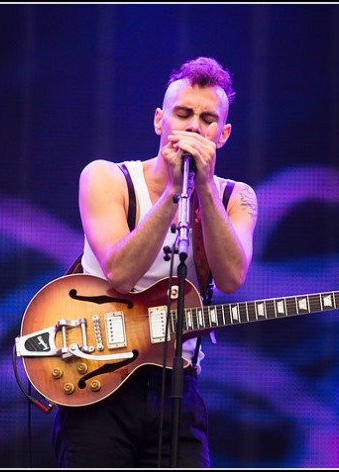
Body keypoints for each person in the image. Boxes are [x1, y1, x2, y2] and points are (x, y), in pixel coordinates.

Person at [51, 56, 258, 468]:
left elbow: (233, 278)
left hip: (177, 386)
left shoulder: (238, 197)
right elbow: (121, 273)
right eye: (183, 114)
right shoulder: (107, 178)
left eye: (207, 119)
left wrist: (204, 190)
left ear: (224, 134)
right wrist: (173, 194)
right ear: (159, 121)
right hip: (97, 383)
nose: (194, 126)